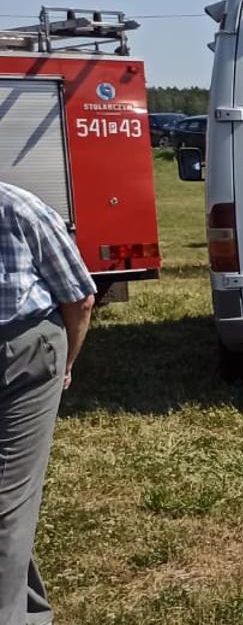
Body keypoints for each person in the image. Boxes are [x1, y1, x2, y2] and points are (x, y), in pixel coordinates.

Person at [1, 182, 97, 624]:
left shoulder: (19, 209)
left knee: (8, 498)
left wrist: (63, 365)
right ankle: (27, 612)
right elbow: (79, 298)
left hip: (21, 355)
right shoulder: (21, 207)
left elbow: (79, 297)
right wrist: (66, 364)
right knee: (10, 499)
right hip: (29, 349)